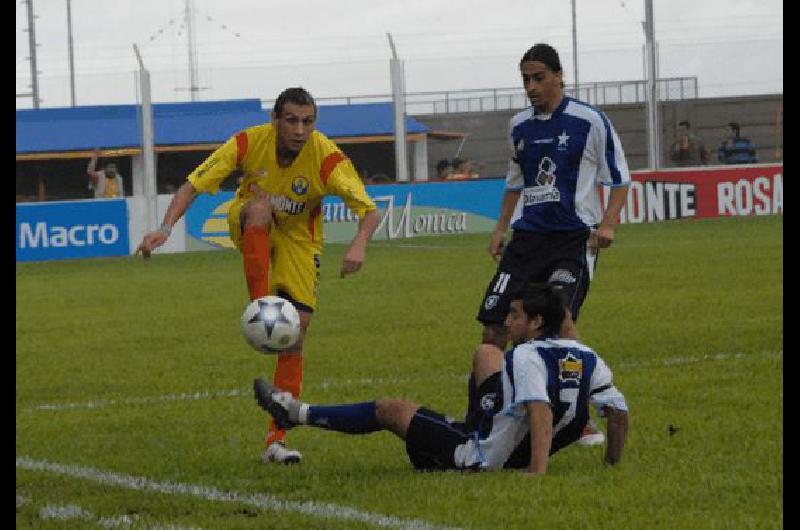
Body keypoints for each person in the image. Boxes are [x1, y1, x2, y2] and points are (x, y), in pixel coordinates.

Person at [136, 87, 380, 464]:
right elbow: (194, 184)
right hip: (251, 220)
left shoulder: (327, 157)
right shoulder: (249, 141)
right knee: (260, 208)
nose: (300, 129)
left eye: (308, 121)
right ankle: (259, 305)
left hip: (301, 238)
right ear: (276, 121)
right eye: (292, 120)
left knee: (296, 333)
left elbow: (368, 210)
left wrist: (359, 244)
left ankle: (276, 439)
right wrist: (166, 229)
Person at [253, 283, 629, 474]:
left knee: (389, 409)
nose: (507, 322)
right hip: (508, 437)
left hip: (482, 457)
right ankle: (468, 427)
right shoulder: (587, 355)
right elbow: (618, 413)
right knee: (486, 354)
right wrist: (612, 463)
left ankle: (294, 413)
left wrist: (537, 471)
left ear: (536, 323)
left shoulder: (527, 355)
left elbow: (539, 409)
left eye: (515, 316)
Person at [476, 43, 631, 446]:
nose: (531, 86)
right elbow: (515, 183)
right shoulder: (519, 126)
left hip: (571, 240)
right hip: (526, 241)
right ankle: (487, 418)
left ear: (558, 76)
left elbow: (619, 179)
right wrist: (499, 229)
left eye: (539, 77)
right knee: (494, 329)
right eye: (525, 79)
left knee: (558, 324)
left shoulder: (589, 120)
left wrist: (609, 224)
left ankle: (578, 419)